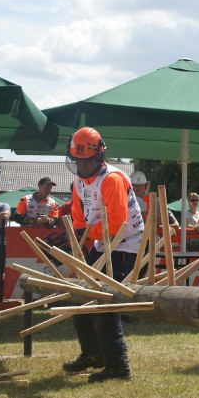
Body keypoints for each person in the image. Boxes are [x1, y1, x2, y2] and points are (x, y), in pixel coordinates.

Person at [62, 127, 145, 382]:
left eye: (86, 161)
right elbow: (77, 220)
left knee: (104, 300)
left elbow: (118, 222)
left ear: (99, 157)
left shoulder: (112, 179)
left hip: (124, 243)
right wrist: (77, 247)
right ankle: (92, 354)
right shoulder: (78, 182)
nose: (82, 166)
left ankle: (118, 366)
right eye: (77, 161)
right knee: (78, 294)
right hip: (101, 242)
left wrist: (87, 233)